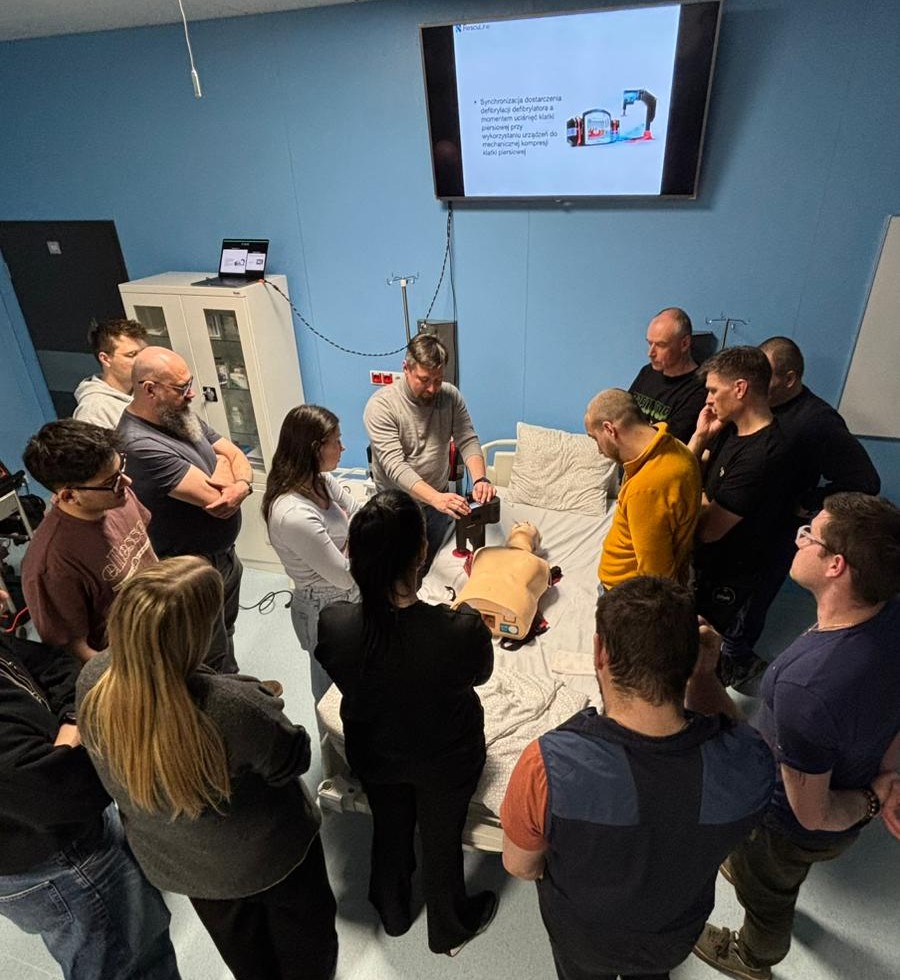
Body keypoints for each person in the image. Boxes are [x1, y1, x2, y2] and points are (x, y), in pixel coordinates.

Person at [500, 576, 775, 980]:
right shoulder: (748, 767)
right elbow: (743, 744)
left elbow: (521, 866)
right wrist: (705, 676)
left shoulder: (547, 766)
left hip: (582, 937)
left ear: (600, 653)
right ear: (692, 659)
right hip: (671, 937)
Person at [76, 558, 338, 980]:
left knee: (247, 956)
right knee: (308, 948)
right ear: (196, 636)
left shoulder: (94, 680)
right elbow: (293, 761)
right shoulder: (233, 707)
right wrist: (261, 700)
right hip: (268, 859)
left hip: (186, 867)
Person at [691, 493, 900, 980]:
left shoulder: (804, 686)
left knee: (768, 895)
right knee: (764, 865)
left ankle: (753, 957)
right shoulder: (889, 613)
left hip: (787, 826)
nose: (798, 538)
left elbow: (813, 813)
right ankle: (750, 868)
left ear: (835, 566)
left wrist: (875, 797)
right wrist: (891, 769)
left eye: (810, 535)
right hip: (840, 783)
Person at [315, 490, 497, 956]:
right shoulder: (460, 630)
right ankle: (449, 926)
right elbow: (481, 675)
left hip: (375, 752)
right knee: (442, 837)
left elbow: (343, 666)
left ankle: (392, 912)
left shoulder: (335, 625)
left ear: (355, 556)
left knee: (390, 827)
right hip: (445, 757)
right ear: (422, 553)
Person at [0, 590, 179, 979]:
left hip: (63, 834)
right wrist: (82, 736)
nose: (2, 596)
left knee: (140, 939)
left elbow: (55, 665)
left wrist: (70, 723)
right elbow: (55, 793)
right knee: (129, 961)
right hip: (59, 860)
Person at [117, 346, 252, 672]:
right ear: (150, 389)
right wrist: (228, 471)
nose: (191, 394)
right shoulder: (138, 443)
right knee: (208, 655)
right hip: (190, 569)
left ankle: (236, 686)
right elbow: (216, 499)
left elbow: (235, 453)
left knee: (226, 631)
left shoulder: (178, 414)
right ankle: (228, 698)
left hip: (223, 555)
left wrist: (240, 483)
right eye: (181, 388)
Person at [688, 347, 794, 689]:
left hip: (731, 575)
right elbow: (687, 473)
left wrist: (693, 493)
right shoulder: (730, 430)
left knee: (706, 659)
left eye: (713, 390)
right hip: (706, 566)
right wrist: (700, 436)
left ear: (740, 388)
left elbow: (709, 529)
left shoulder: (764, 455)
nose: (708, 399)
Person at [22, 420, 157, 662]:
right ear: (69, 496)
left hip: (164, 632)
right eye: (110, 481)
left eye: (121, 468)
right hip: (133, 664)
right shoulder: (51, 564)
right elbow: (76, 649)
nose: (126, 482)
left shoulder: (119, 498)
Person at [364, 333, 496, 570]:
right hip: (397, 508)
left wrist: (480, 480)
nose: (433, 388)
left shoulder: (450, 396)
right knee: (399, 570)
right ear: (406, 368)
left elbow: (467, 438)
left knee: (430, 566)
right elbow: (395, 466)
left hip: (437, 504)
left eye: (438, 379)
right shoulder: (382, 406)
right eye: (424, 380)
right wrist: (436, 498)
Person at [263, 405, 360, 705]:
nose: (343, 447)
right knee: (330, 694)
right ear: (315, 448)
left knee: (355, 682)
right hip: (322, 608)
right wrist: (355, 541)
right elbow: (344, 576)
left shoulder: (322, 481)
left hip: (346, 597)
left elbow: (361, 512)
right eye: (336, 441)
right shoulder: (293, 513)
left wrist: (348, 544)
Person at [585, 388, 701, 590]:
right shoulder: (675, 447)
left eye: (595, 438)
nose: (599, 450)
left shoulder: (647, 488)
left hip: (624, 593)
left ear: (610, 429)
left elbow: (656, 578)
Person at [760, 336, 880, 514]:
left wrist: (809, 502)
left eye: (764, 378)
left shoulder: (818, 420)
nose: (755, 385)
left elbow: (865, 481)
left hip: (775, 523)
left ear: (789, 379)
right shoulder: (759, 405)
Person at [629, 307, 707, 443]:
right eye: (649, 343)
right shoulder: (648, 372)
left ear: (684, 344)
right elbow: (623, 411)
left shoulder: (700, 388)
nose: (650, 353)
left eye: (660, 345)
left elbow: (668, 441)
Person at [73, 318, 148, 428]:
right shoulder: (93, 412)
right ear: (105, 359)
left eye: (144, 352)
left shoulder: (147, 388)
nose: (143, 360)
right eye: (132, 354)